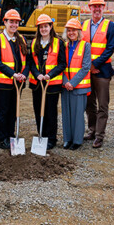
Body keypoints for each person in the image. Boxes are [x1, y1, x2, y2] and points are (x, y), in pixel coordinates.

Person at [82, 0, 114, 149]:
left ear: (104, 8)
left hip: (102, 72)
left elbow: (109, 49)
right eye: (94, 6)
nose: (96, 9)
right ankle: (92, 129)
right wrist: (88, 66)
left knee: (102, 104)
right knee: (89, 104)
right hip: (86, 71)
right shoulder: (83, 25)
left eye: (99, 6)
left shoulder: (111, 26)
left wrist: (94, 64)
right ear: (89, 8)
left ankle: (99, 136)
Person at [0, 9, 29, 150]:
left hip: (18, 83)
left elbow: (27, 61)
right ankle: (2, 138)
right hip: (4, 83)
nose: (13, 24)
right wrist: (12, 74)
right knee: (3, 111)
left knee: (14, 111)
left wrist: (24, 74)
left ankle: (11, 135)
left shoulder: (22, 39)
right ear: (5, 22)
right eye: (11, 22)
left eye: (16, 22)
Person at [28, 14, 65, 150]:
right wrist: (37, 74)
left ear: (50, 27)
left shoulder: (58, 42)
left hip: (52, 84)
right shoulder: (33, 43)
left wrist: (49, 75)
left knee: (50, 111)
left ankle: (51, 138)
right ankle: (41, 135)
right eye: (41, 27)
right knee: (38, 110)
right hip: (37, 84)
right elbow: (30, 63)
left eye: (46, 26)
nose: (43, 29)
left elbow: (62, 64)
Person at [61, 18, 92, 150]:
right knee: (66, 114)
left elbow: (86, 67)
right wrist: (65, 82)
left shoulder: (85, 46)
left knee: (78, 114)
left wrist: (72, 83)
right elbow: (60, 65)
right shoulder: (64, 46)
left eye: (74, 30)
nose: (71, 33)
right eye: (69, 30)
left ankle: (77, 140)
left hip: (79, 87)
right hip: (65, 87)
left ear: (79, 31)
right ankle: (67, 139)